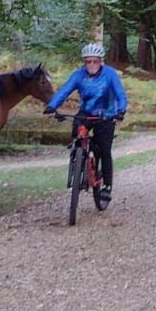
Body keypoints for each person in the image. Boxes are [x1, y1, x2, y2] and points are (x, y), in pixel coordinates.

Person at [44, 42, 128, 204]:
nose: (91, 64)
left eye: (95, 61)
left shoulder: (109, 74)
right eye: (88, 61)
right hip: (86, 112)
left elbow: (120, 94)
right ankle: (79, 159)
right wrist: (52, 106)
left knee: (105, 150)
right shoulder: (79, 75)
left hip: (106, 115)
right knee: (77, 130)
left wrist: (121, 110)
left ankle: (107, 186)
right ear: (84, 62)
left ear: (101, 61)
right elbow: (65, 90)